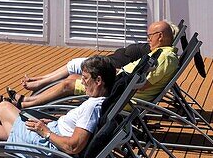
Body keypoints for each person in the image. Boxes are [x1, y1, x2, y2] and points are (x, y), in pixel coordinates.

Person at [12, 20, 178, 108]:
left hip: (121, 95)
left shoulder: (165, 57)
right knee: (75, 75)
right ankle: (38, 98)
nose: (148, 39)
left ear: (160, 36)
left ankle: (27, 103)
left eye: (150, 36)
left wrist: (111, 78)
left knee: (68, 84)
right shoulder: (162, 54)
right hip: (121, 86)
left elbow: (141, 85)